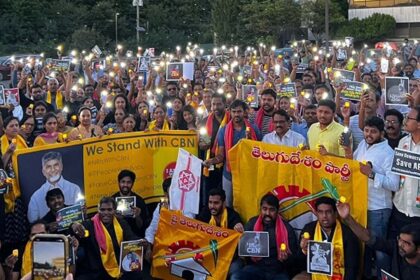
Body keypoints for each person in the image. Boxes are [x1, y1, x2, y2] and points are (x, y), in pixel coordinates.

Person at [342, 116, 399, 279]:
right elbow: (354, 166)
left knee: (379, 250)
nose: (368, 134)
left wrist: (372, 174)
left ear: (382, 133)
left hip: (378, 208)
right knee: (364, 247)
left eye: (373, 132)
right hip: (361, 204)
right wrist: (347, 153)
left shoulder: (389, 153)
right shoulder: (362, 145)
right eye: (366, 131)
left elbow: (394, 184)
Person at [336, 201, 420, 280]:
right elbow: (368, 238)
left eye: (406, 243)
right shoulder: (396, 247)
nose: (400, 244)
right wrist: (347, 218)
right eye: (400, 239)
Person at [203, 100, 261, 207]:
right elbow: (221, 156)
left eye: (239, 112)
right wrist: (211, 161)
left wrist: (250, 142)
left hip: (248, 173)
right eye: (234, 112)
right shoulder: (224, 130)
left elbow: (260, 152)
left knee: (248, 204)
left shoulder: (253, 129)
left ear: (244, 112)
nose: (236, 114)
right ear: (230, 112)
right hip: (229, 173)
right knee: (228, 204)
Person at [71, 197, 144, 280]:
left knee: (137, 275)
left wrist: (140, 242)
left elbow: (131, 237)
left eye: (109, 210)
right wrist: (74, 225)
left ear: (114, 210)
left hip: (119, 267)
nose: (106, 213)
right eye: (102, 210)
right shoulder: (90, 224)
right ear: (98, 210)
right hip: (97, 270)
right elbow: (78, 231)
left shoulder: (121, 223)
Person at [231, 193, 297, 280]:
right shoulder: (252, 223)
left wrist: (286, 258)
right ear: (260, 209)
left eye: (272, 210)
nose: (267, 213)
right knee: (236, 277)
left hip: (277, 270)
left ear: (277, 211)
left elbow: (294, 258)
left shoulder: (287, 229)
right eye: (264, 209)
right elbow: (242, 250)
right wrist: (240, 242)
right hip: (255, 268)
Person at [296, 197, 360, 280]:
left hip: (339, 275)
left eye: (328, 212)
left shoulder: (347, 234)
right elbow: (299, 264)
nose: (324, 216)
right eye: (320, 212)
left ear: (335, 214)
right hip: (314, 275)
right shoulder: (309, 230)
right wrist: (303, 251)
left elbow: (352, 267)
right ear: (316, 213)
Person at [196, 188, 244, 277]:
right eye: (210, 202)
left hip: (230, 259)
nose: (212, 206)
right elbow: (195, 229)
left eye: (216, 203)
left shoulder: (232, 215)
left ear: (224, 203)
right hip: (209, 257)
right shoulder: (205, 213)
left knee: (233, 271)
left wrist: (238, 226)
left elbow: (237, 224)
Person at [389, 106, 420, 239]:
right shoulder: (403, 142)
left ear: (419, 124)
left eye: (409, 118)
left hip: (417, 211)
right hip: (400, 206)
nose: (405, 121)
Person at [28, 151, 82, 223]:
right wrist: (47, 227)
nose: (53, 170)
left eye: (56, 165)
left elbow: (80, 214)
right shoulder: (35, 198)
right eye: (48, 167)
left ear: (61, 167)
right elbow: (33, 225)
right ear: (43, 171)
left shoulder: (74, 189)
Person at [111, 170, 150, 237]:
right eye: (123, 182)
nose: (125, 185)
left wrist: (137, 216)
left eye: (128, 182)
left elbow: (142, 227)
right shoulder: (112, 200)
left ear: (133, 183)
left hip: (135, 237)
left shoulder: (139, 201)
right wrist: (113, 217)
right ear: (119, 182)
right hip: (116, 238)